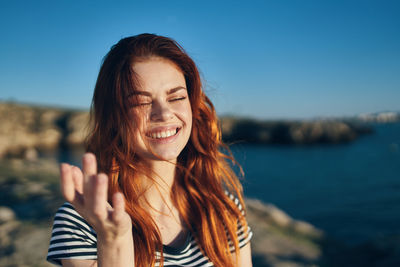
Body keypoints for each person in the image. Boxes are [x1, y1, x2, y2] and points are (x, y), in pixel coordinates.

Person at [47, 33, 253, 267]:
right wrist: (115, 240)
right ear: (113, 118)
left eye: (176, 97)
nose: (164, 114)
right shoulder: (82, 220)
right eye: (141, 102)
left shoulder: (223, 208)